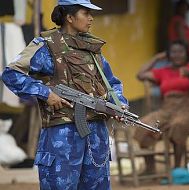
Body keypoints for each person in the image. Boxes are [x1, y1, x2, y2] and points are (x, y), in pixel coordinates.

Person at [1, 0, 128, 189]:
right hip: (63, 136)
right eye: (86, 13)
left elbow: (112, 83)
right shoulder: (46, 46)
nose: (91, 18)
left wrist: (118, 103)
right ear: (69, 17)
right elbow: (11, 74)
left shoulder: (92, 48)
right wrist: (45, 93)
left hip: (96, 135)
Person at [134, 40, 189, 174]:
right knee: (145, 124)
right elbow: (140, 75)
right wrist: (157, 58)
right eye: (173, 52)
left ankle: (177, 169)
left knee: (178, 125)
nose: (177, 55)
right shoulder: (163, 71)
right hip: (167, 109)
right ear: (168, 55)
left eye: (180, 52)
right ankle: (150, 168)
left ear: (187, 54)